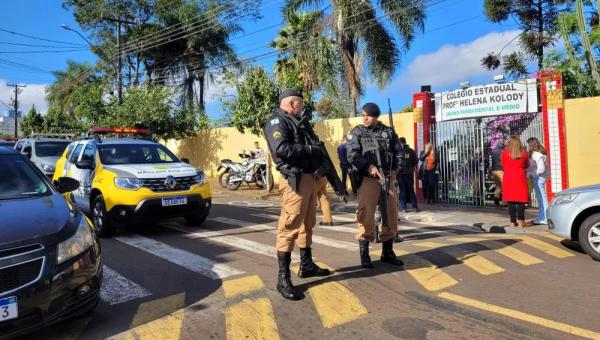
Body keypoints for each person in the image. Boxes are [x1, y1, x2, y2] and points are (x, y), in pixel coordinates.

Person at [264, 89, 331, 300]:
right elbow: (282, 149)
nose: (302, 106)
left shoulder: (300, 122)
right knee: (290, 226)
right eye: (300, 103)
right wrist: (310, 150)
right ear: (292, 103)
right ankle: (282, 278)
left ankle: (306, 264)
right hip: (294, 180)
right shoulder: (277, 121)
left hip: (310, 179)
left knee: (308, 222)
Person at [347, 102, 404, 268]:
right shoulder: (357, 132)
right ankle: (364, 254)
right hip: (368, 179)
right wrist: (368, 166)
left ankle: (388, 251)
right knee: (365, 214)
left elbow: (399, 152)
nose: (365, 118)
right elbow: (352, 155)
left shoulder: (388, 132)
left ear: (376, 116)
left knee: (391, 214)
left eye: (368, 115)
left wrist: (397, 170)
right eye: (363, 114)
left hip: (387, 178)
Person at [501, 136, 530, 228]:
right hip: (520, 176)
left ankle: (513, 222)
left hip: (508, 176)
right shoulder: (524, 153)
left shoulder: (505, 153)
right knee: (521, 200)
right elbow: (527, 165)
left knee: (511, 200)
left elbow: (503, 164)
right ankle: (521, 221)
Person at [526, 137, 549, 225]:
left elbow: (541, 169)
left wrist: (533, 174)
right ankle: (541, 216)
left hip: (538, 178)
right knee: (541, 198)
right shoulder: (540, 153)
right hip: (540, 177)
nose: (528, 147)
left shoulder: (536, 154)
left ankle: (545, 217)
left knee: (542, 198)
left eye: (529, 145)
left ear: (532, 145)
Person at [397, 137, 419, 213]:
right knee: (411, 190)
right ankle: (415, 206)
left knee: (402, 191)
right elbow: (416, 161)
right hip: (409, 173)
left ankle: (403, 208)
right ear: (405, 142)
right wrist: (411, 167)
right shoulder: (411, 151)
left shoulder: (397, 151)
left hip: (400, 173)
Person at [490, 140, 504, 207]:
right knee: (504, 186)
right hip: (501, 170)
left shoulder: (493, 151)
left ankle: (496, 200)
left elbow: (491, 161)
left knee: (498, 186)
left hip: (494, 170)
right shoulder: (503, 151)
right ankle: (505, 202)